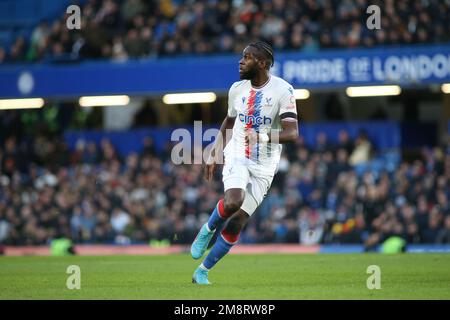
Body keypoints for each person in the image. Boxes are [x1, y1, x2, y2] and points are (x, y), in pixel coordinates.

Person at [190, 41, 299, 284]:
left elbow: (292, 133)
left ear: (262, 64)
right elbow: (229, 121)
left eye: (247, 57)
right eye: (242, 57)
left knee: (239, 219)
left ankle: (202, 271)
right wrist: (216, 150)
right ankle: (207, 231)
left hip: (265, 166)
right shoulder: (236, 89)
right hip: (238, 152)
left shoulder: (284, 90)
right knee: (233, 201)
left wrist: (261, 135)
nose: (241, 61)